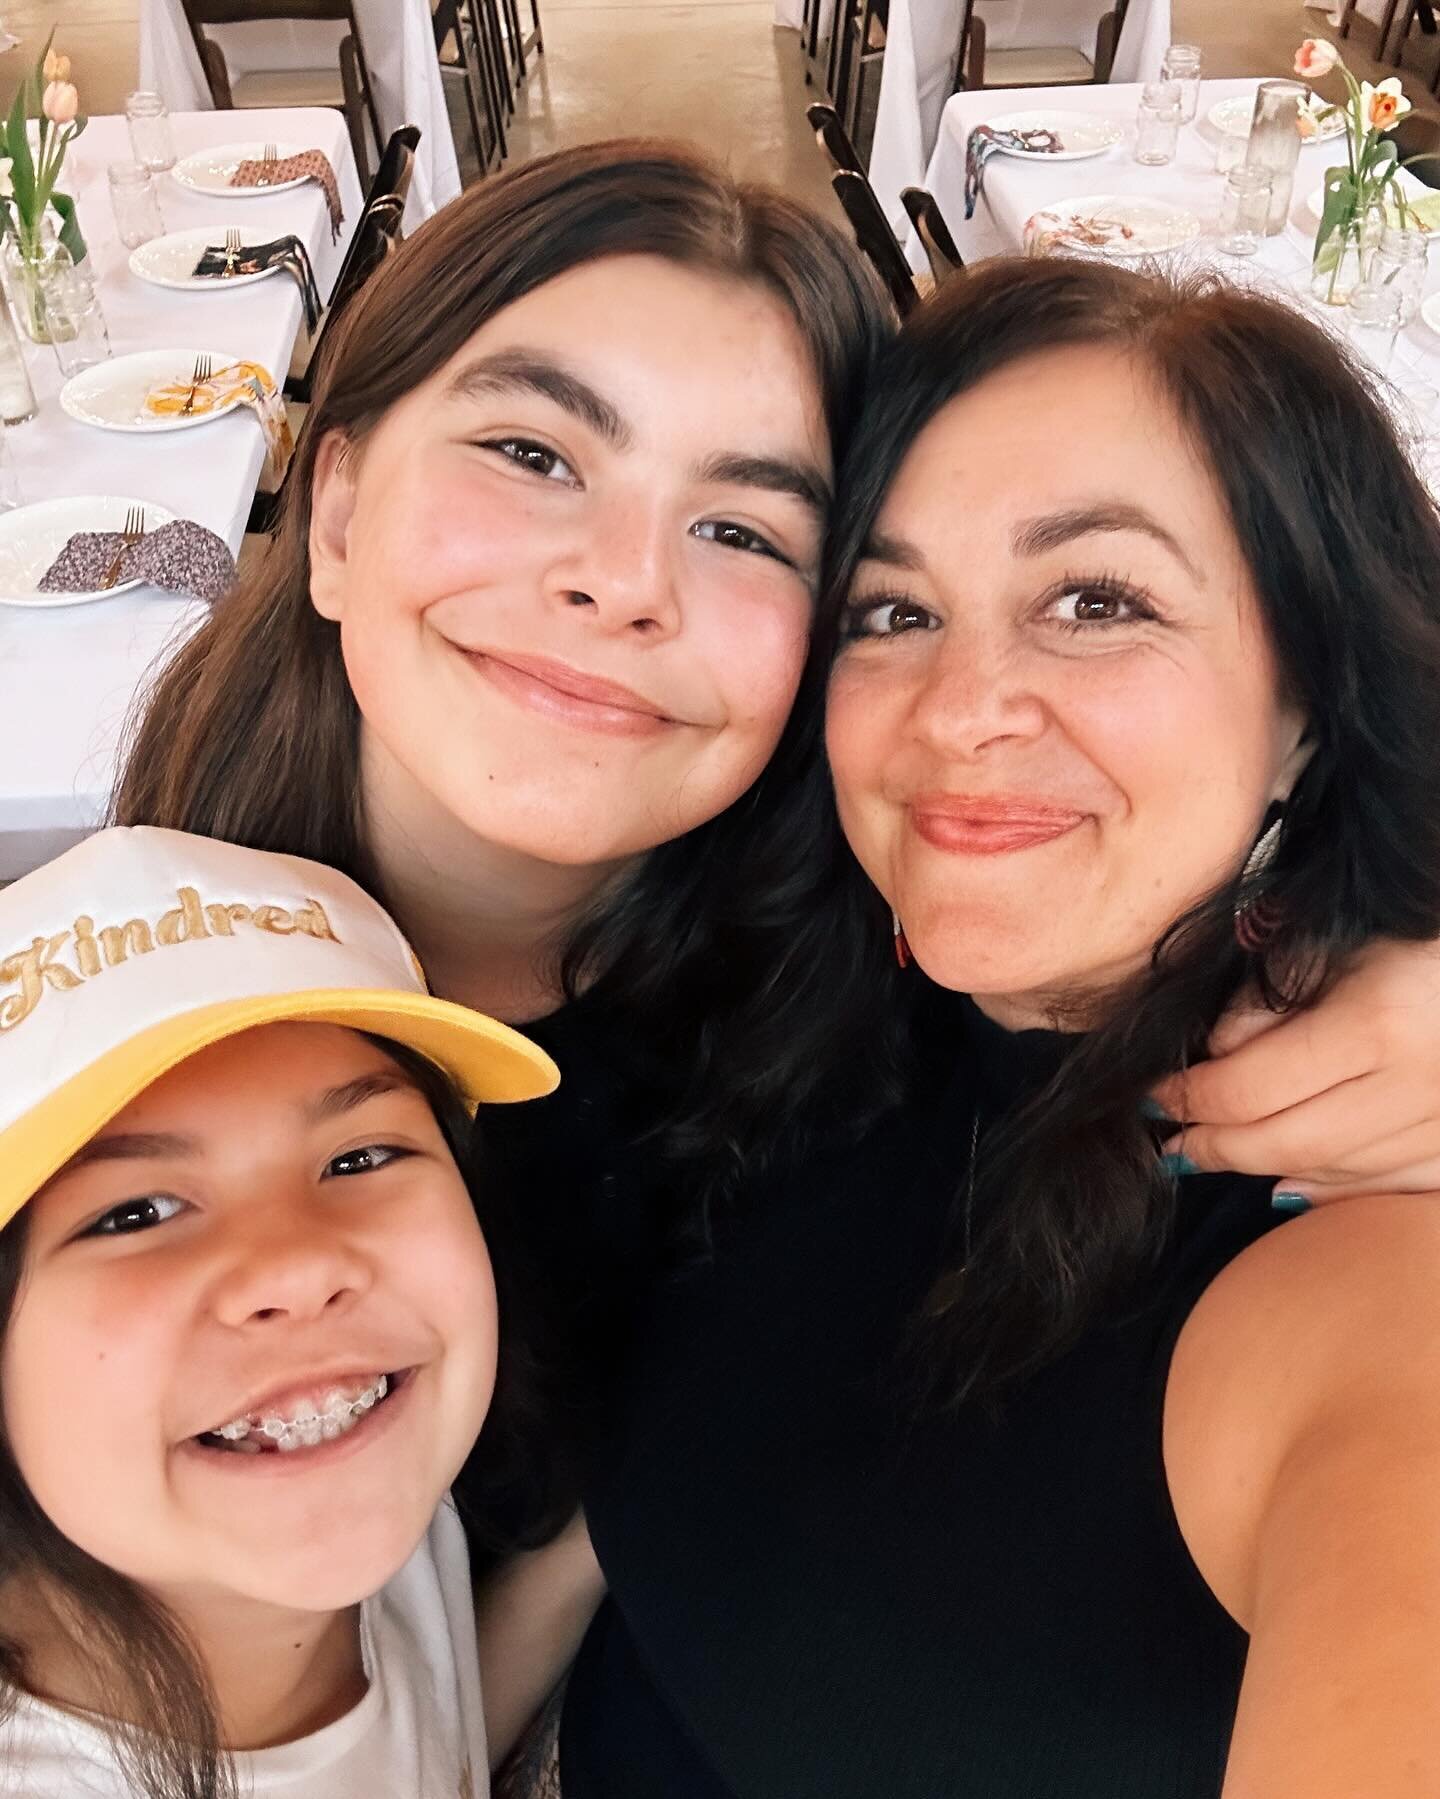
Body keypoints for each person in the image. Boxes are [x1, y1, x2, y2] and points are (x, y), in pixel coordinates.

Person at [555, 260, 1440, 1798]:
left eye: (1097, 601)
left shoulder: (1357, 1267)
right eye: (893, 609)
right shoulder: (794, 1000)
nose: (961, 706)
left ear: (1307, 694)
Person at [0, 824, 557, 1798]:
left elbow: (432, 1726)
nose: (300, 1271)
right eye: (134, 1212)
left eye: (360, 1156)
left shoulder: (367, 1469)